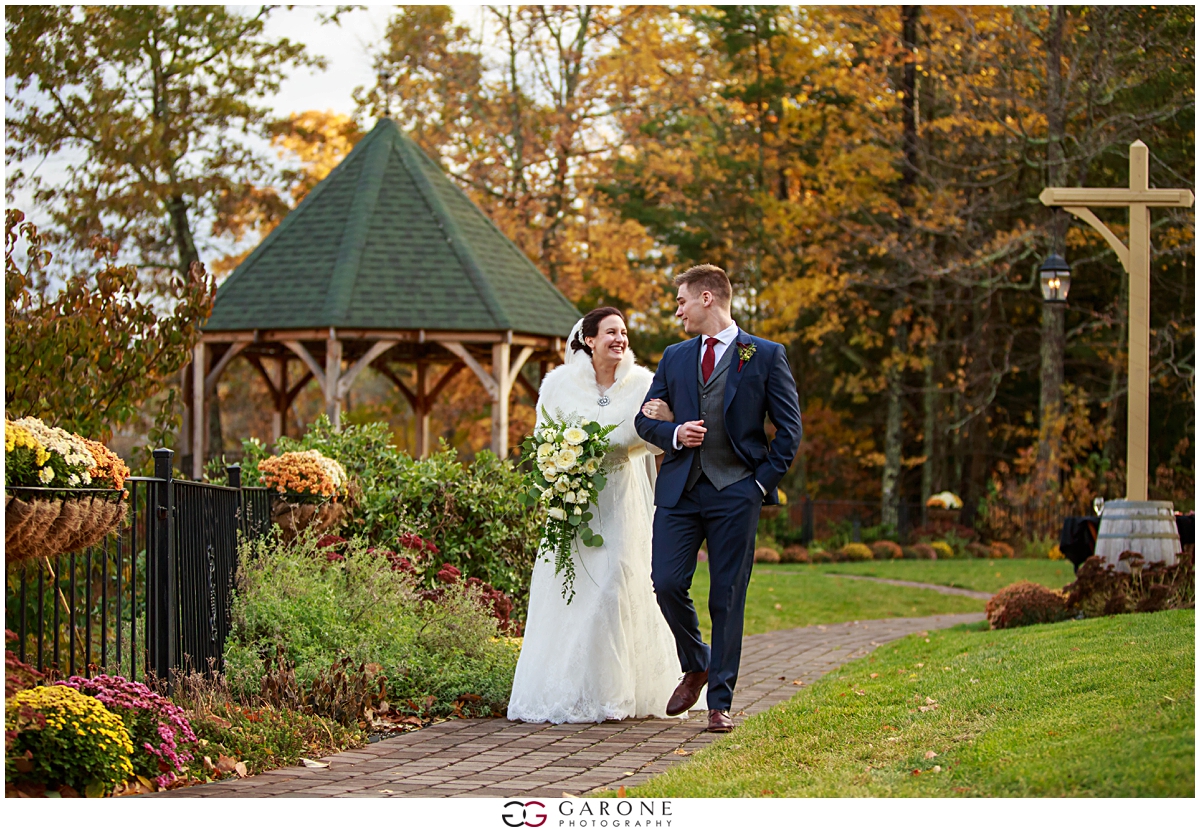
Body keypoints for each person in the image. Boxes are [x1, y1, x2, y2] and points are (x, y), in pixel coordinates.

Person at [635, 264, 803, 733]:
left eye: (681, 301)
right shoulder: (674, 357)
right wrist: (674, 432)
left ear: (707, 299)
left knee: (727, 596)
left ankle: (718, 701)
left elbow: (789, 430)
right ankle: (697, 660)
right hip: (681, 491)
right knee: (666, 581)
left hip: (736, 492)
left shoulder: (765, 355)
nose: (677, 311)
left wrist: (758, 484)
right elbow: (644, 421)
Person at [507, 307, 683, 723]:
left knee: (614, 587)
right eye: (610, 332)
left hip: (621, 500)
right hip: (574, 504)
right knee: (572, 593)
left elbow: (660, 443)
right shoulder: (558, 386)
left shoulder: (644, 385)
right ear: (589, 340)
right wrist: (561, 470)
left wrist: (669, 420)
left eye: (623, 332)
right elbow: (542, 440)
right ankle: (570, 691)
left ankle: (616, 694)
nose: (620, 339)